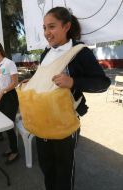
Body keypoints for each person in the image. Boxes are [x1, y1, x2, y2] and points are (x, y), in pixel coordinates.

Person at [23, 7, 111, 190]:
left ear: (66, 26)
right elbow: (46, 82)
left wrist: (73, 82)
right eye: (45, 28)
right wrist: (32, 81)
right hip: (42, 123)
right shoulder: (46, 53)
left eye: (52, 27)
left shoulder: (79, 52)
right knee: (47, 169)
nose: (47, 33)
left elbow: (102, 83)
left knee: (63, 174)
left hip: (65, 125)